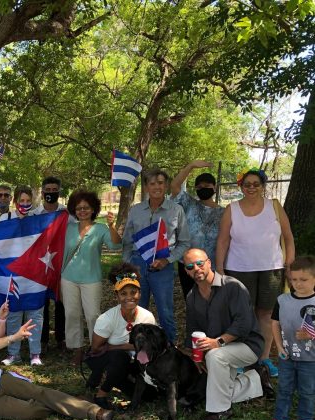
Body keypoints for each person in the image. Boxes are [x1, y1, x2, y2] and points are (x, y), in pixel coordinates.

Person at [216, 168, 295, 376]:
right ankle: (241, 357)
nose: (251, 187)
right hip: (239, 269)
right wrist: (219, 268)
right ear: (241, 186)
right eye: (247, 184)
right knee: (242, 315)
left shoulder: (274, 207)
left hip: (272, 269)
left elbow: (288, 237)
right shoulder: (231, 209)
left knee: (267, 314)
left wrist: (289, 265)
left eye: (256, 184)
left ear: (263, 186)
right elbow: (223, 240)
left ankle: (264, 358)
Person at [183, 248, 267, 420]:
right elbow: (193, 329)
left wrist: (218, 342)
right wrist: (196, 355)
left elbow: (243, 324)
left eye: (200, 263)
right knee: (219, 388)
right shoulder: (192, 297)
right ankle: (256, 380)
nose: (196, 268)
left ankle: (219, 411)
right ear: (186, 271)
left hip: (247, 345)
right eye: (190, 266)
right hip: (220, 349)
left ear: (209, 263)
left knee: (215, 356)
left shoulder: (232, 286)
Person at [122, 169, 190, 344]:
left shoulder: (176, 210)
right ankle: (139, 347)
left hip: (163, 265)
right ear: (146, 187)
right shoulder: (136, 210)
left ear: (166, 185)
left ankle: (170, 346)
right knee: (138, 309)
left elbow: (184, 242)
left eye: (160, 183)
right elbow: (127, 241)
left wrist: (167, 260)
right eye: (152, 183)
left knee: (165, 311)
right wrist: (128, 264)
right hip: (138, 264)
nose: (157, 187)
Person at [62, 191, 122, 364]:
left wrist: (111, 226)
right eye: (79, 208)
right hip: (68, 277)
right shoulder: (68, 228)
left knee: (92, 315)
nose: (82, 211)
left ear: (93, 209)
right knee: (72, 314)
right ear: (74, 209)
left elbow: (116, 245)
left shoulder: (101, 228)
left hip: (91, 278)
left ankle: (96, 348)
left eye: (86, 208)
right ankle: (78, 349)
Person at [85, 263, 156, 409]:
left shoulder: (147, 317)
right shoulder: (107, 319)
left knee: (149, 396)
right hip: (105, 359)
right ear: (116, 295)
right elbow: (96, 348)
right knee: (119, 357)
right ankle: (101, 394)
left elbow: (149, 346)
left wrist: (120, 346)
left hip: (134, 360)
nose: (129, 297)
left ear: (140, 294)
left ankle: (115, 379)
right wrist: (123, 348)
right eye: (123, 293)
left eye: (133, 292)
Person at [264, 255, 315, 420]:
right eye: (294, 280)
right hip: (287, 356)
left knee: (307, 391)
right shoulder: (282, 300)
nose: (298, 284)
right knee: (284, 388)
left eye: (303, 279)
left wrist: (310, 334)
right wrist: (278, 346)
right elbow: (275, 323)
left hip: (310, 359)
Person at [0, 185, 45, 366]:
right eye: (21, 201)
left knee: (35, 313)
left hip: (34, 274)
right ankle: (13, 353)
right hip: (12, 274)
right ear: (15, 202)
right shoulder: (5, 218)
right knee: (14, 314)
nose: (24, 204)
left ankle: (35, 353)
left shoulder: (38, 219)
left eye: (27, 201)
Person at [169, 160, 225, 298]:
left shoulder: (224, 212)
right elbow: (174, 185)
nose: (203, 188)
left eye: (207, 185)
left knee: (214, 300)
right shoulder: (189, 204)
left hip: (212, 265)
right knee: (191, 299)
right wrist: (190, 166)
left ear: (214, 187)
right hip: (188, 265)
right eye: (199, 186)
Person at [33, 176, 67, 350]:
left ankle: (61, 338)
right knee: (42, 303)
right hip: (40, 265)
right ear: (42, 191)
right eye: (48, 190)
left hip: (60, 264)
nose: (51, 193)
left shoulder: (66, 214)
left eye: (55, 191)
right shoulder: (34, 215)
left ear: (59, 192)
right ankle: (43, 339)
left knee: (61, 302)